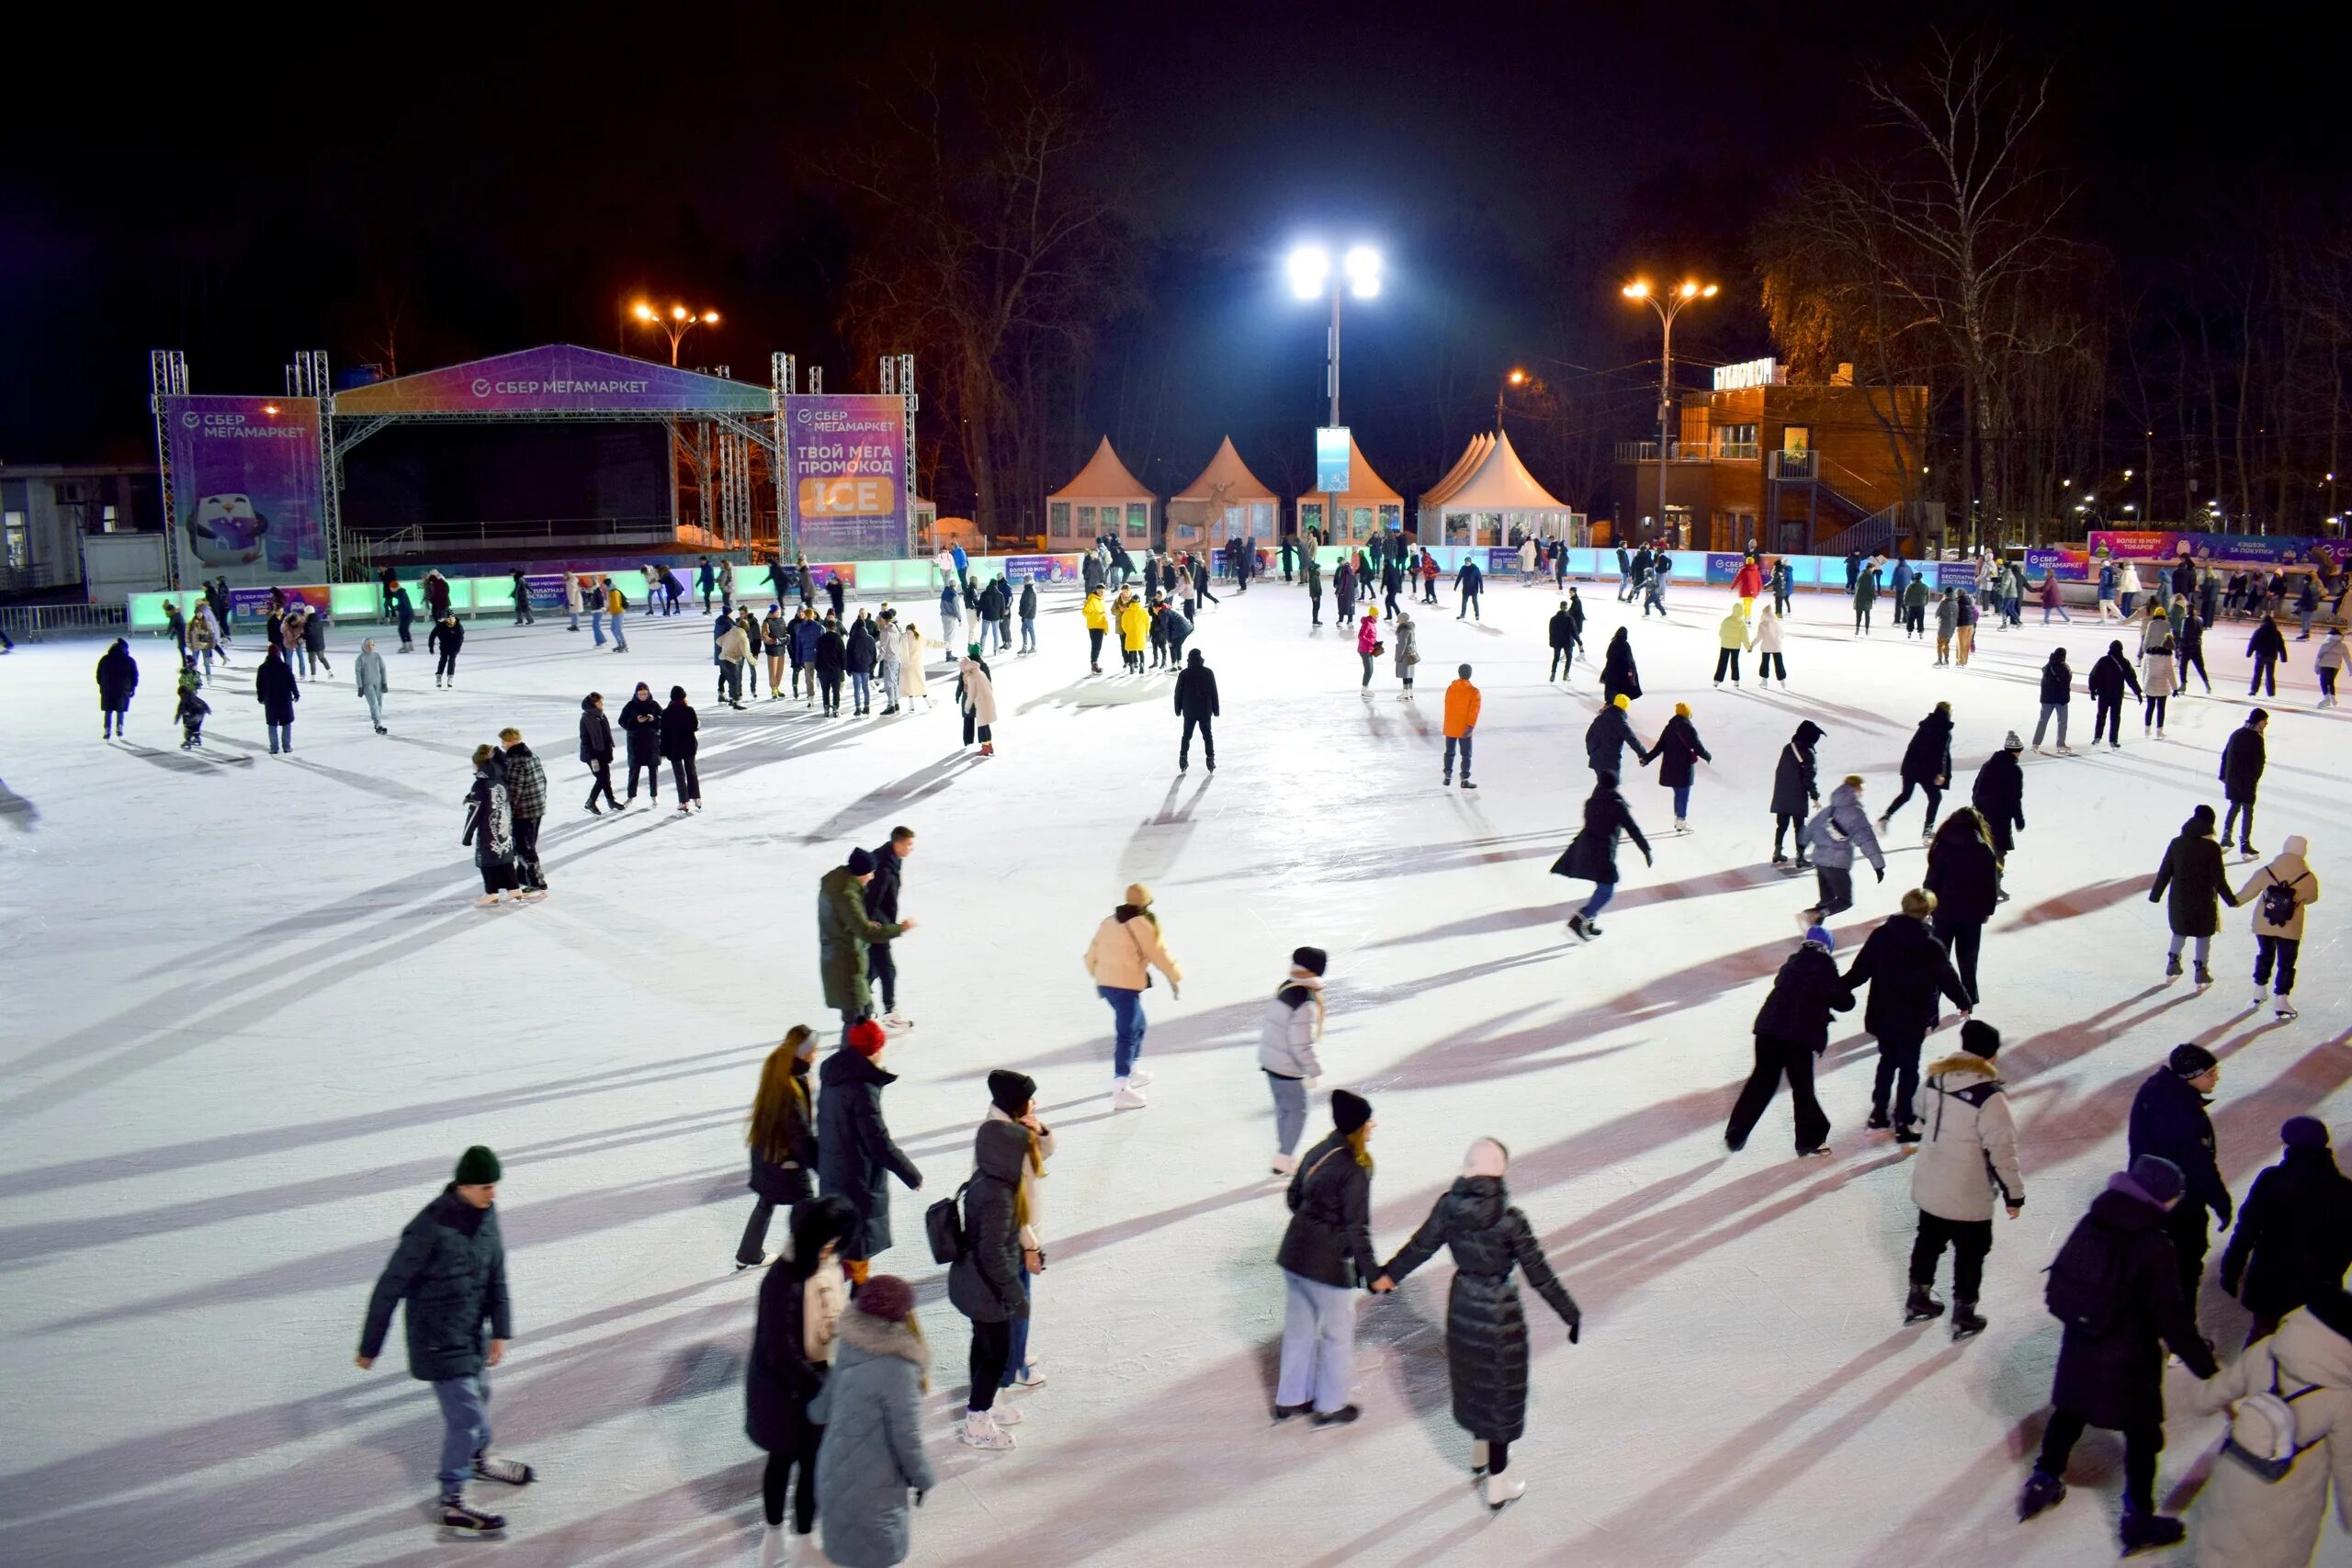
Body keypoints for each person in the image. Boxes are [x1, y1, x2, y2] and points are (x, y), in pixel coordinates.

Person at [2016, 1154, 2218, 1553]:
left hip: (2083, 1344)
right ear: (2160, 1199)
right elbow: (2171, 1320)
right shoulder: (2154, 1246)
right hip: (2129, 1359)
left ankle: (2044, 1478)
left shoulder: (2096, 1219)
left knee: (2069, 1414)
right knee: (2143, 1437)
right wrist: (2207, 1367)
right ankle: (2138, 1519)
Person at [1370, 1137, 1583, 1511]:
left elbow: (1420, 1246)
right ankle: (1498, 1484)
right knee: (1501, 1391)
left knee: (1473, 1381)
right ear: (1500, 1172)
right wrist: (1570, 1313)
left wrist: (1388, 1275)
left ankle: (1479, 1452)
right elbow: (1539, 1275)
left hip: (1463, 1303)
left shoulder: (1448, 1208)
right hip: (1500, 1312)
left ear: (1468, 1168)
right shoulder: (1511, 1220)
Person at [356, 1146, 532, 1536]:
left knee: (481, 1397)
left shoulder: (486, 1217)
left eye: (495, 1186)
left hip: (471, 1333)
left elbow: (496, 1275)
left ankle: (478, 1459)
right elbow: (390, 1286)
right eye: (486, 1187)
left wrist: (499, 1329)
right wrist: (370, 1346)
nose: (494, 1195)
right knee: (466, 1416)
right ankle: (452, 1499)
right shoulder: (428, 1229)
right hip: (436, 1339)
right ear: (464, 1185)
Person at [2183, 1288, 2352, 1568]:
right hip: (2287, 1503)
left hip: (2235, 1475)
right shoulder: (2342, 1397)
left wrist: (2199, 1398)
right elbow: (2348, 1467)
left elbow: (2207, 1397)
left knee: (2220, 1549)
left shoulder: (2267, 1350)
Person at [808, 1274, 934, 1568]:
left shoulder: (851, 1346)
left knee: (847, 1551)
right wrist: (923, 1478)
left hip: (832, 1474)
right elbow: (908, 1439)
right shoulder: (900, 1371)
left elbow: (821, 1408)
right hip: (873, 1490)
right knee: (874, 1554)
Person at [1272, 1090, 1381, 1428]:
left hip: (1294, 1255)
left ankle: (1290, 1400)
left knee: (1299, 1330)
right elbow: (1357, 1228)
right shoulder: (1354, 1170)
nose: (1372, 1125)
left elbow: (1293, 1197)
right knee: (1337, 1334)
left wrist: (1312, 1222)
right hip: (1326, 1265)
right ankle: (1330, 1405)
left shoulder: (1319, 1150)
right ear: (1357, 1127)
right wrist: (1372, 1274)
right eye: (1367, 1120)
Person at [1842, 887, 1972, 1138]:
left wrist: (1835, 989)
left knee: (1887, 1062)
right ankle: (1903, 1120)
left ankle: (1878, 1113)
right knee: (1909, 1068)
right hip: (1913, 1015)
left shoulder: (1881, 935)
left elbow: (1860, 970)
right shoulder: (1930, 944)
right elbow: (1947, 977)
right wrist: (1963, 1001)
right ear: (1928, 913)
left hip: (1882, 1012)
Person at [2218, 1119, 2352, 1350]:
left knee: (2262, 1343)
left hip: (2272, 1283)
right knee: (2312, 1349)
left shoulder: (2272, 1181)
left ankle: (2253, 1384)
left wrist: (2231, 1268)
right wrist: (2332, 1274)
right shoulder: (2345, 1190)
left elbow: (2247, 1228)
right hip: (2319, 1287)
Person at [945, 1113, 1033, 1452]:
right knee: (996, 1353)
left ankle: (982, 1402)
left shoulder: (983, 1178)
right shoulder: (1000, 1195)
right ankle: (977, 1419)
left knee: (983, 1345)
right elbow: (994, 1253)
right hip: (987, 1291)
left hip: (970, 1281)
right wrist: (1016, 1294)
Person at [1724, 926, 1852, 1157]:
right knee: (1802, 1088)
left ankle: (1735, 1134)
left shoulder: (1791, 964)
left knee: (1761, 1081)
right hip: (1797, 1037)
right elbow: (1844, 1002)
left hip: (1768, 1029)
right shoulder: (1824, 967)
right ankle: (1810, 1140)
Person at [817, 1021, 922, 1289]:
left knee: (843, 1242)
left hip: (834, 1172)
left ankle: (837, 1293)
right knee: (856, 1246)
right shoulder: (862, 1088)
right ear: (874, 1050)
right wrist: (910, 1174)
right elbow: (877, 1142)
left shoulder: (834, 1075)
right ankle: (848, 1304)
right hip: (857, 1180)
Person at [2129, 1043, 2234, 1309]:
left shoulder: (2156, 1089)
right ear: (2190, 1076)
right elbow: (2199, 1165)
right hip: (2180, 1202)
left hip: (2149, 1189)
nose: (2216, 1078)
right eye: (2210, 1073)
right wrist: (2221, 1202)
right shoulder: (2183, 1114)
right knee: (2185, 1264)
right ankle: (2182, 1329)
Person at [1083, 883, 1181, 1111]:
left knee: (1139, 1023)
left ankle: (1133, 1070)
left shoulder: (1109, 921)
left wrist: (1097, 974)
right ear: (1147, 903)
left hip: (1107, 984)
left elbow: (1092, 952)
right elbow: (1160, 954)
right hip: (1123, 986)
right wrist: (1174, 977)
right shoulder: (1144, 925)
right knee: (1127, 1032)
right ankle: (1121, 1088)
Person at [735, 1027, 821, 1271]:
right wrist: (821, 1165)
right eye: (814, 1051)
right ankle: (808, 1262)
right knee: (807, 1206)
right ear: (804, 1053)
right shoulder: (789, 1088)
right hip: (783, 1160)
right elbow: (800, 1136)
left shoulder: (779, 1065)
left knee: (767, 1201)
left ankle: (748, 1252)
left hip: (766, 1152)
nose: (816, 1055)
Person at [821, 847, 912, 1041]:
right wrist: (899, 928)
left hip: (843, 961)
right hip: (846, 965)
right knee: (854, 1022)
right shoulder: (847, 895)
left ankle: (862, 1052)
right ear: (862, 872)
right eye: (870, 872)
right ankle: (848, 1062)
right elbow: (865, 932)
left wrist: (860, 923)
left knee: (865, 1011)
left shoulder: (837, 883)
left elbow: (844, 920)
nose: (872, 877)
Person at [1552, 770, 1652, 942]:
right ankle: (1581, 918)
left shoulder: (1591, 802)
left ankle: (1588, 923)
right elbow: (1632, 828)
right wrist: (1646, 849)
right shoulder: (1616, 805)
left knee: (1602, 885)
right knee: (1607, 889)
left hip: (1588, 848)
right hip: (1603, 851)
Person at [1259, 946, 1329, 1175]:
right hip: (1287, 1067)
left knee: (1284, 1109)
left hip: (1271, 1061)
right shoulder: (1305, 1002)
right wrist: (1313, 1070)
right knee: (1297, 1111)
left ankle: (1283, 1153)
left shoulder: (1286, 987)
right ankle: (1285, 1157)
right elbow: (1300, 1044)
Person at [2152, 805, 2239, 985]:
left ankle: (2173, 963)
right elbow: (2218, 879)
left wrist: (2156, 894)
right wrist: (2231, 900)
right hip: (2203, 900)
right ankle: (2201, 970)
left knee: (2179, 931)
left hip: (2179, 898)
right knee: (2203, 935)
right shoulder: (2211, 847)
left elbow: (2165, 871)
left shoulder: (2177, 843)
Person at [2235, 833, 2318, 1021]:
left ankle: (2259, 989)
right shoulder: (2308, 877)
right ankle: (2281, 999)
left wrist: (2234, 900)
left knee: (2265, 953)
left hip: (2264, 923)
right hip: (2290, 927)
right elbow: (2312, 898)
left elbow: (2246, 893)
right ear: (2303, 851)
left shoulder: (2267, 871)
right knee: (2286, 963)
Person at [1801, 774, 1885, 920]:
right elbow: (1867, 840)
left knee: (1826, 902)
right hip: (1837, 864)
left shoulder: (1830, 809)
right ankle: (1814, 915)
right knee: (1844, 900)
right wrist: (1878, 866)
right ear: (1856, 789)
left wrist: (1801, 847)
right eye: (1861, 789)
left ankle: (1813, 928)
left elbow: (1811, 828)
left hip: (1820, 862)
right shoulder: (1856, 814)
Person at [461, 744, 521, 905]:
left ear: (479, 765)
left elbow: (474, 813)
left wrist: (467, 836)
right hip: (504, 827)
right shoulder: (500, 779)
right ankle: (514, 889)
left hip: (488, 832)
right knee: (505, 860)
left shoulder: (480, 784)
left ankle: (491, 893)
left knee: (486, 862)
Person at [1640, 701, 1712, 829]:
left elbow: (1659, 746)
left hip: (1670, 768)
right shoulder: (1688, 728)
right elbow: (1697, 746)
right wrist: (1707, 756)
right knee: (1683, 794)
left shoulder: (1670, 727)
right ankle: (1680, 820)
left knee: (1678, 794)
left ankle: (1679, 818)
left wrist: (1647, 759)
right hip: (1683, 768)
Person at [497, 728, 548, 897]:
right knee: (528, 845)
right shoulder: (531, 755)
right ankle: (524, 879)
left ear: (511, 741)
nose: (502, 746)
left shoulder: (516, 761)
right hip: (537, 807)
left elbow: (513, 791)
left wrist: (506, 815)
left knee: (524, 849)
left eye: (503, 742)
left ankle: (536, 882)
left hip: (524, 812)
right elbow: (543, 781)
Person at [1770, 721, 1824, 868]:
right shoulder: (1808, 753)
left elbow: (1780, 771)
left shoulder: (1788, 748)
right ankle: (1800, 857)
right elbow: (1808, 778)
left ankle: (1777, 851)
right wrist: (1814, 795)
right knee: (1799, 827)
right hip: (1797, 795)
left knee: (1781, 825)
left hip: (1781, 793)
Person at [2221, 709, 2268, 857]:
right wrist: (2255, 778)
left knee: (2234, 807)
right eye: (2265, 721)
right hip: (2247, 781)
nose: (2266, 724)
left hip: (2233, 780)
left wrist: (2224, 775)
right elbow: (2260, 762)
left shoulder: (2237, 734)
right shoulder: (2256, 738)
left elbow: (2225, 755)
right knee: (2247, 811)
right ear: (2259, 721)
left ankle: (2226, 837)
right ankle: (2245, 843)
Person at [570, 692, 618, 816]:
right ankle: (590, 802)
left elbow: (606, 735)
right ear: (593, 704)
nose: (602, 704)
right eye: (599, 702)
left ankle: (611, 801)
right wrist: (592, 758)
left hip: (603, 752)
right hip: (592, 754)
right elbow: (585, 739)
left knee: (606, 778)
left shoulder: (601, 715)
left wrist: (609, 751)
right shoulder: (586, 718)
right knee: (602, 779)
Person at [1172, 648, 1219, 773]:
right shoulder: (1208, 672)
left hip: (1189, 711)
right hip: (1205, 710)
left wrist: (1178, 709)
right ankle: (1210, 759)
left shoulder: (1184, 673)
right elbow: (1214, 692)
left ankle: (1183, 758)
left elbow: (1178, 693)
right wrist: (1216, 709)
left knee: (1186, 735)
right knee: (1207, 735)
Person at [660, 685, 702, 814]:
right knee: (691, 771)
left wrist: (663, 751)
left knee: (679, 775)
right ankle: (696, 797)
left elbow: (663, 733)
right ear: (684, 698)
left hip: (674, 748)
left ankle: (684, 802)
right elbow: (695, 726)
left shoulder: (666, 713)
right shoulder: (689, 710)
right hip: (689, 746)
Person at [954, 644, 997, 756]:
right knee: (983, 723)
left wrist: (958, 695)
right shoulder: (981, 667)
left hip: (973, 698)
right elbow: (989, 683)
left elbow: (964, 687)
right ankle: (988, 744)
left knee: (972, 721)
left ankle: (973, 743)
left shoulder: (968, 670)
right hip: (984, 698)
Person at [255, 645, 300, 754]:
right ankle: (286, 746)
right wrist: (296, 693)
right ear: (278, 653)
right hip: (284, 698)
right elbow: (291, 681)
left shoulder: (263, 668)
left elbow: (259, 684)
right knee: (286, 723)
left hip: (270, 699)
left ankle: (274, 748)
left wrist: (260, 697)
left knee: (272, 724)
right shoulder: (284, 667)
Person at [1442, 663, 1480, 789]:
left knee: (1449, 752)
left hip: (1451, 726)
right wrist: (1470, 726)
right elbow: (1474, 711)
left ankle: (1447, 775)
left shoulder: (1451, 688)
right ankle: (1464, 779)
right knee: (1466, 754)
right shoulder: (1473, 692)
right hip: (1464, 728)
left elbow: (1447, 705)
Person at [2032, 649, 2074, 753]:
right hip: (2060, 700)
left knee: (2042, 721)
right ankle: (2060, 744)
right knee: (2062, 722)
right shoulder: (2064, 668)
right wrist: (2066, 698)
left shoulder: (2047, 666)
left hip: (2046, 699)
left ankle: (2035, 743)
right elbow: (2066, 683)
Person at [95, 637, 138, 739]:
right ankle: (119, 727)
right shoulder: (129, 660)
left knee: (108, 710)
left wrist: (101, 685)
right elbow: (134, 675)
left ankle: (107, 729)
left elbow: (98, 674)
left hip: (107, 690)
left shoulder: (105, 659)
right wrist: (133, 688)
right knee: (120, 710)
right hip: (123, 690)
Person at [347, 637, 389, 735]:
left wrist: (384, 683)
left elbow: (383, 670)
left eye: (372, 645)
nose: (370, 647)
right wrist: (360, 687)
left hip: (378, 683)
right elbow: (358, 673)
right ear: (364, 646)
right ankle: (378, 723)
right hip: (367, 685)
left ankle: (377, 721)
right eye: (368, 645)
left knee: (379, 703)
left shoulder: (377, 656)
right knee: (373, 703)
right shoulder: (360, 658)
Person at [2247, 613, 2288, 697]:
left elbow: (2253, 643)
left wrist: (2249, 653)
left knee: (2257, 674)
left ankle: (2253, 690)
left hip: (2261, 655)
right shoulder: (2276, 632)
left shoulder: (2259, 631)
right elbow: (2281, 645)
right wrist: (2283, 657)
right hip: (2272, 656)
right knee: (2270, 675)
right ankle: (2271, 692)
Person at [1600, 626, 1642, 705]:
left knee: (1611, 687)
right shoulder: (1625, 645)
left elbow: (1608, 655)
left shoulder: (1613, 643)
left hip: (1611, 669)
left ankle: (1609, 703)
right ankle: (1617, 703)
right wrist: (1631, 671)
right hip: (1622, 671)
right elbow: (1629, 659)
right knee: (1620, 687)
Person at [2314, 625, 2346, 707]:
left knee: (2323, 681)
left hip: (2324, 664)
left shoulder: (2325, 644)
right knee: (2330, 681)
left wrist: (2316, 666)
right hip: (2336, 666)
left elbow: (2319, 656)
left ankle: (2327, 698)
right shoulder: (2343, 646)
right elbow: (2347, 658)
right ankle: (2332, 698)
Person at [429, 614, 464, 688]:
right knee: (443, 659)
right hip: (444, 645)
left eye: (452, 618)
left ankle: (450, 676)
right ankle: (439, 676)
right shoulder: (441, 625)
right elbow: (432, 635)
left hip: (454, 646)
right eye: (449, 619)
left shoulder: (459, 627)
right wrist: (431, 646)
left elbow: (460, 639)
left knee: (452, 659)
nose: (451, 620)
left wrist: (457, 648)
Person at [1391, 609, 1419, 694]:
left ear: (1402, 620)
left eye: (1399, 620)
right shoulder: (1410, 628)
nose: (1398, 622)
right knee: (1409, 673)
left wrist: (1399, 656)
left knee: (1405, 674)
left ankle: (1405, 693)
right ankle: (1409, 691)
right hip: (1411, 652)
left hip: (1405, 654)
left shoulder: (1404, 629)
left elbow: (1402, 643)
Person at [1454, 553, 1483, 620]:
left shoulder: (1475, 568)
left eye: (1467, 562)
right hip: (1466, 589)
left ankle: (1477, 615)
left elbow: (1480, 579)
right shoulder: (1463, 568)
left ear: (1470, 562)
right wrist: (1456, 585)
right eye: (1465, 562)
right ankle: (1462, 615)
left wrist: (1481, 588)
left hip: (1474, 589)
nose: (1466, 563)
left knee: (1475, 602)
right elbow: (1459, 577)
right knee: (1464, 602)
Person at [1016, 577, 1037, 655]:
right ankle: (1024, 647)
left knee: (1031, 630)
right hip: (1026, 614)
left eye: (1025, 580)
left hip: (1028, 615)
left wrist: (1024, 616)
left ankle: (1033, 647)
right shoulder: (1027, 589)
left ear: (1029, 581)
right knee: (1023, 630)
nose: (1023, 581)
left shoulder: (1030, 590)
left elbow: (1029, 604)